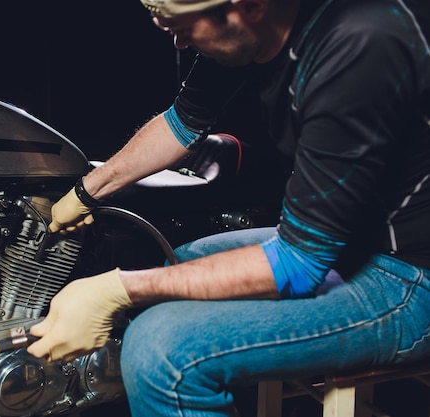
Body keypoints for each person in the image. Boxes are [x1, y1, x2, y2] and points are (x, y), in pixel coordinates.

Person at [27, 0, 430, 415]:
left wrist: (116, 288)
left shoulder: (358, 46)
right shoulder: (251, 30)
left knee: (162, 351)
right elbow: (181, 124)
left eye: (182, 27)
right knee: (176, 262)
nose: (181, 42)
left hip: (412, 276)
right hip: (352, 240)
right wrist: (85, 191)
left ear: (249, 6)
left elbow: (297, 264)